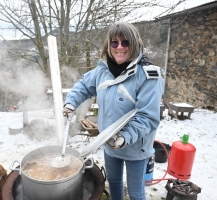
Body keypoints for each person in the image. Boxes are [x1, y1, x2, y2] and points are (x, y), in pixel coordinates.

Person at [62, 21, 164, 200]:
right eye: (114, 43)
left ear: (135, 44)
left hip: (135, 146)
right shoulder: (103, 71)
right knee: (114, 182)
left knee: (136, 192)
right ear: (108, 45)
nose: (119, 47)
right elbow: (84, 86)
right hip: (109, 143)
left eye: (125, 42)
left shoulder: (148, 75)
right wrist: (71, 102)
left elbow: (148, 117)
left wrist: (124, 137)